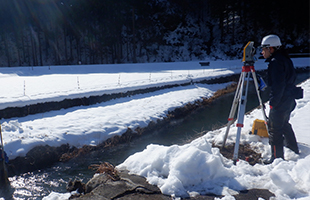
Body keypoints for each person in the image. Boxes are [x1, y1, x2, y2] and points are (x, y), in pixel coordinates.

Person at [260, 34, 300, 164]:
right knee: (284, 124)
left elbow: (278, 86)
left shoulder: (275, 62)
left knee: (275, 129)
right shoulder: (285, 59)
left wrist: (273, 103)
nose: (262, 52)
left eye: (264, 49)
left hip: (281, 100)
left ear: (271, 48)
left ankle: (276, 159)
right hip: (289, 99)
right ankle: (293, 149)